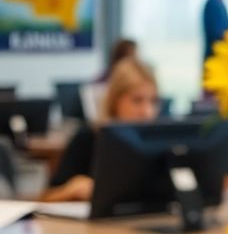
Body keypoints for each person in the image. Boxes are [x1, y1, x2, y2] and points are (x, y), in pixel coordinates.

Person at [42, 57, 161, 202]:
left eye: (153, 101)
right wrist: (72, 189)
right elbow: (46, 198)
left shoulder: (160, 144)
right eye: (137, 100)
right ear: (115, 101)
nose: (147, 112)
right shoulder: (88, 139)